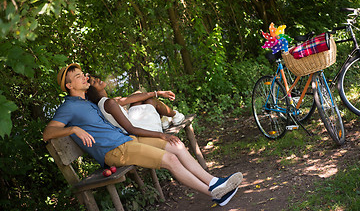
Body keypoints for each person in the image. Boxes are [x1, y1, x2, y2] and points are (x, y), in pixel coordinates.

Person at [43, 63, 243, 206]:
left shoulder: (87, 102)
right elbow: (48, 133)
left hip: (127, 141)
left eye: (82, 74)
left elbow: (119, 102)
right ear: (69, 86)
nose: (84, 77)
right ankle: (214, 193)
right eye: (78, 76)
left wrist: (155, 98)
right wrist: (74, 129)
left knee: (176, 145)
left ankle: (214, 182)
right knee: (170, 159)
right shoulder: (68, 107)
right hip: (115, 150)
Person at [86, 74, 185, 133]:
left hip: (134, 122)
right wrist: (160, 135)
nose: (98, 79)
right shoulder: (108, 103)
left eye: (95, 78)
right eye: (94, 82)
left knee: (138, 96)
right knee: (150, 101)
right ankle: (174, 115)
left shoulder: (105, 102)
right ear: (92, 91)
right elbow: (131, 129)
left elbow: (127, 100)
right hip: (141, 128)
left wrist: (157, 93)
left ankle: (163, 119)